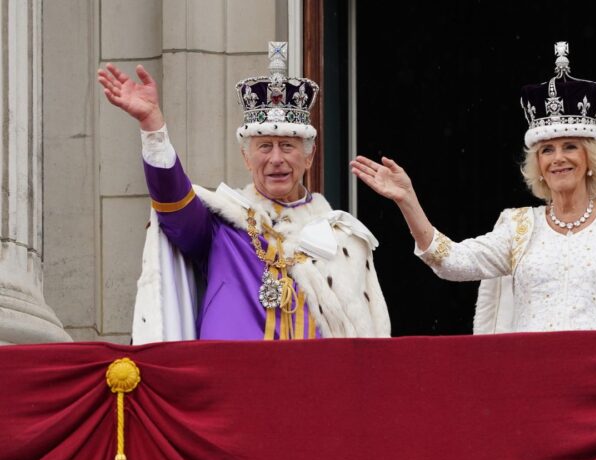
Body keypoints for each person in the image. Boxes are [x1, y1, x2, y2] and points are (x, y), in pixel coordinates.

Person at [351, 41, 596, 334]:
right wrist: (408, 200)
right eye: (547, 150)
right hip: (535, 381)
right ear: (539, 167)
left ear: (590, 159)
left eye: (570, 146)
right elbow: (450, 262)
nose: (558, 158)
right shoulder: (518, 227)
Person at [97, 41, 390, 342]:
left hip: (314, 385)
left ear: (309, 156)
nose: (276, 159)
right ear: (246, 158)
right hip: (229, 381)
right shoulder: (222, 224)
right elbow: (173, 205)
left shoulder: (343, 239)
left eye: (287, 146)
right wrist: (153, 127)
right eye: (264, 146)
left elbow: (367, 343)